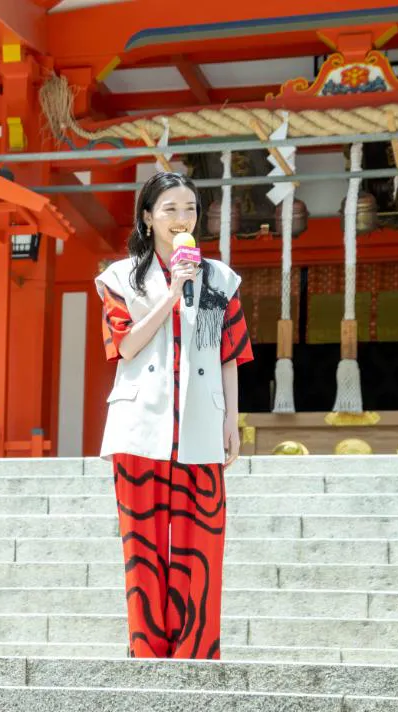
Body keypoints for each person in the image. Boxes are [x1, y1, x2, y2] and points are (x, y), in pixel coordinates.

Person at [94, 171, 253, 659]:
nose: (181, 218)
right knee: (141, 546)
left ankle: (196, 652)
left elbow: (227, 354)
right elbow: (125, 345)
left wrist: (231, 421)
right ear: (147, 217)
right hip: (138, 427)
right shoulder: (119, 277)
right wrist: (171, 293)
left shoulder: (221, 279)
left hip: (201, 426)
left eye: (189, 208)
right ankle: (147, 650)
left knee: (201, 545)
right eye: (169, 209)